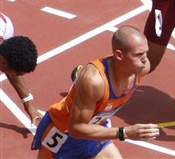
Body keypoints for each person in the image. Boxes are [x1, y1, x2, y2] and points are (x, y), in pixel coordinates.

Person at [32, 25, 160, 158]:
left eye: (146, 52)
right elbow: (75, 129)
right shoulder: (94, 81)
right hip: (63, 134)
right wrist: (125, 132)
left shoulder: (141, 69)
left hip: (94, 131)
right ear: (119, 55)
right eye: (138, 55)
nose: (145, 60)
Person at [0, 12, 41, 125]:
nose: (16, 75)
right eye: (17, 72)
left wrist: (28, 103)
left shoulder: (6, 26)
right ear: (4, 62)